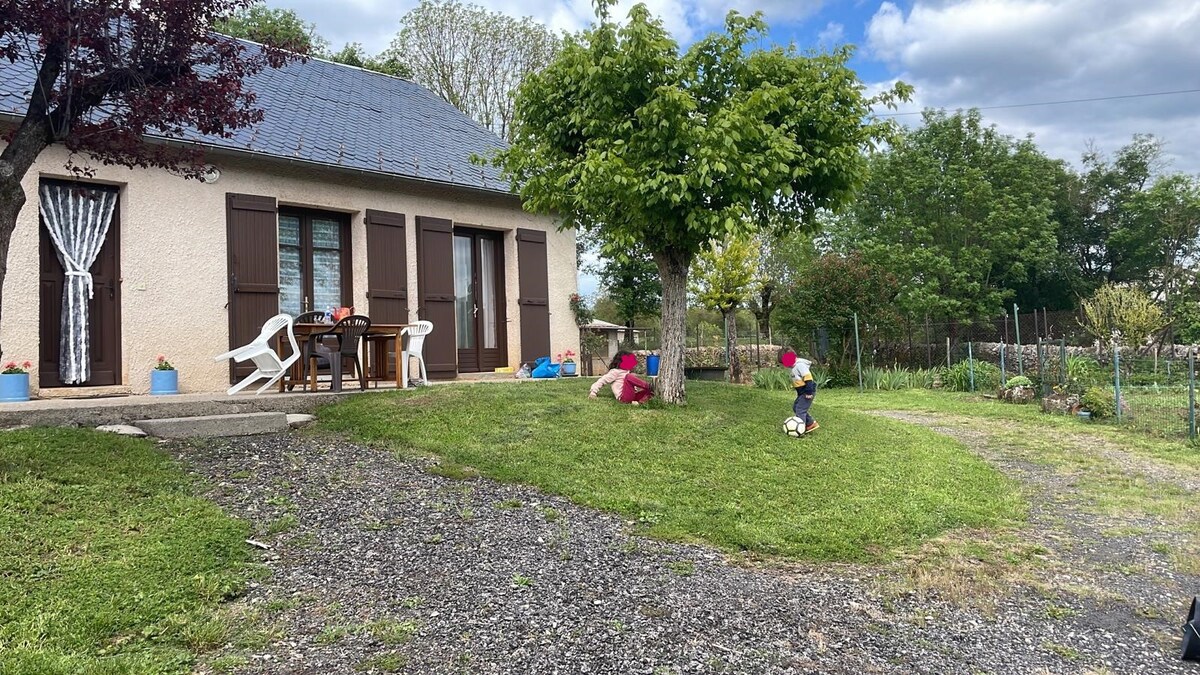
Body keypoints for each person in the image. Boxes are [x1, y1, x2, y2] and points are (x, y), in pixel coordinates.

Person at [589, 351, 654, 405]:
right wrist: (593, 392)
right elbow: (602, 380)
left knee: (651, 392)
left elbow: (630, 387)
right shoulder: (615, 372)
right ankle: (648, 386)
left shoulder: (627, 371)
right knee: (629, 377)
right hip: (623, 398)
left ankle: (639, 403)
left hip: (632, 396)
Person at [782, 348, 819, 432]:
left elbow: (808, 379)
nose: (785, 365)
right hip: (802, 393)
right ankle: (810, 423)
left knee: (800, 409)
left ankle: (801, 429)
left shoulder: (800, 365)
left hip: (808, 391)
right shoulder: (793, 367)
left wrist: (809, 392)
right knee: (796, 407)